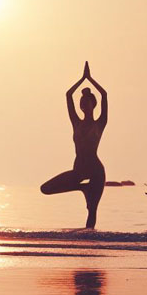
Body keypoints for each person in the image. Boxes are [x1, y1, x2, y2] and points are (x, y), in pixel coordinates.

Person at [40, 62, 107, 229]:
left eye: (86, 102)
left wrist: (90, 79)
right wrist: (81, 79)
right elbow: (68, 95)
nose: (83, 105)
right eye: (81, 103)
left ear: (93, 104)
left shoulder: (100, 123)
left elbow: (104, 95)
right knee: (45, 189)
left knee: (92, 211)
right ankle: (82, 188)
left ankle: (88, 246)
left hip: (96, 172)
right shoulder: (76, 122)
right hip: (78, 170)